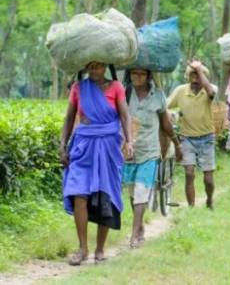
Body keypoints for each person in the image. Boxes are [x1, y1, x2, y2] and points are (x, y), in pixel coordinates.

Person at [60, 61, 133, 265]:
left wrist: (129, 141)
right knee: (78, 194)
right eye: (90, 66)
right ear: (85, 67)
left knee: (105, 195)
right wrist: (62, 145)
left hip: (108, 146)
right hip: (83, 145)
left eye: (98, 66)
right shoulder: (78, 88)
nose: (94, 70)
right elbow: (69, 118)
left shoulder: (117, 88)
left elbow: (125, 115)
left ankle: (100, 249)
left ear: (105, 67)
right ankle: (83, 249)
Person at [122, 68, 182, 249]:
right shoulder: (125, 92)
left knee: (142, 190)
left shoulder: (158, 95)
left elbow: (165, 124)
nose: (137, 77)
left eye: (141, 74)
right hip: (130, 152)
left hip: (150, 151)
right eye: (133, 74)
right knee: (133, 193)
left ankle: (134, 236)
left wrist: (177, 145)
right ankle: (139, 227)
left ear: (148, 76)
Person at [167, 60, 217, 209]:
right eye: (192, 74)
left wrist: (199, 69)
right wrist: (171, 114)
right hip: (187, 138)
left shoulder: (209, 89)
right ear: (188, 76)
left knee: (208, 178)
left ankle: (209, 201)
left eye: (199, 74)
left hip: (207, 137)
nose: (195, 77)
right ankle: (191, 207)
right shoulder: (181, 90)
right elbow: (165, 105)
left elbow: (212, 93)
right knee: (189, 173)